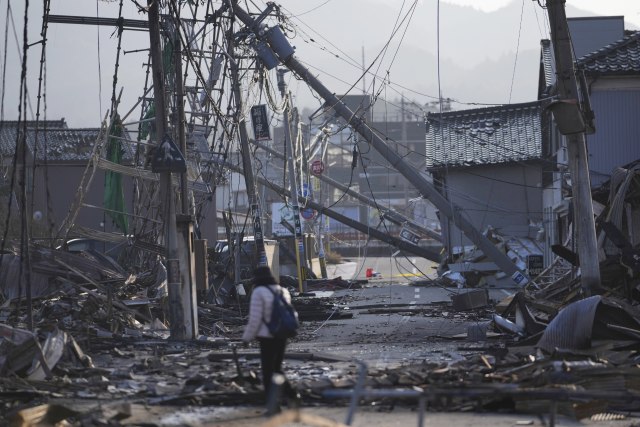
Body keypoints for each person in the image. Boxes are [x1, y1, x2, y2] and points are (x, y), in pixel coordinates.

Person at [242, 265, 298, 410]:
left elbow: (255, 319)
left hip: (267, 336)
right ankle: (292, 395)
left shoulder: (258, 292)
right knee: (277, 368)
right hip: (283, 334)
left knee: (268, 371)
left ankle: (273, 404)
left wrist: (246, 338)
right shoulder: (282, 290)